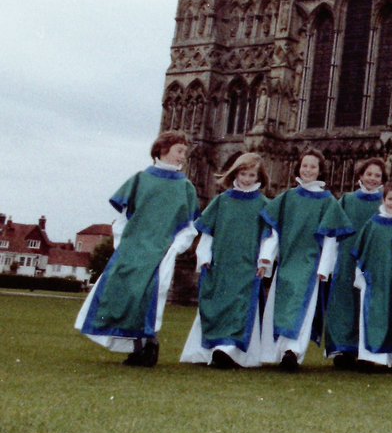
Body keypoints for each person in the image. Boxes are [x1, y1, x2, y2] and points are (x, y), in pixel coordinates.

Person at [76, 131, 200, 367]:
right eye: (179, 151)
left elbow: (189, 226)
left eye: (185, 152)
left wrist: (174, 248)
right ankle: (135, 347)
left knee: (150, 297)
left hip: (162, 251)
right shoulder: (140, 180)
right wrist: (122, 243)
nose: (183, 157)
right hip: (132, 249)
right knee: (123, 295)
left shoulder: (185, 188)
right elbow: (124, 217)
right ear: (162, 149)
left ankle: (148, 343)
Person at [257, 149, 352, 372]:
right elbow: (274, 232)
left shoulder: (327, 201)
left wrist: (325, 267)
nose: (308, 170)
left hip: (311, 263)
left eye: (313, 166)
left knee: (303, 306)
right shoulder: (288, 197)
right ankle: (279, 352)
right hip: (287, 260)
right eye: (304, 165)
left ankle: (293, 352)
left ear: (320, 171)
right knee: (281, 305)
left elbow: (330, 238)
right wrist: (265, 259)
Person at [180, 152, 270, 369]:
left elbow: (269, 236)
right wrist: (204, 256)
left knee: (239, 307)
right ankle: (207, 351)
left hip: (247, 265)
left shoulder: (264, 204)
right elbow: (208, 231)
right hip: (220, 263)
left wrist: (264, 261)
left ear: (259, 177)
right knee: (215, 306)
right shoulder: (222, 200)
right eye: (243, 173)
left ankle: (228, 352)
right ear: (234, 173)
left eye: (251, 174)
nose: (247, 179)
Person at [326, 157, 388, 369]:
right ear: (360, 175)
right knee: (345, 302)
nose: (372, 179)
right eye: (368, 174)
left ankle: (367, 351)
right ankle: (344, 349)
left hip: (374, 260)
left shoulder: (386, 203)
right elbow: (333, 233)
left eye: (377, 175)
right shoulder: (347, 200)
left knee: (371, 304)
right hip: (347, 259)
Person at [351, 181, 392, 369]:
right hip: (375, 280)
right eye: (390, 199)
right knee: (373, 315)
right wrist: (361, 275)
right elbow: (362, 251)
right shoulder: (373, 224)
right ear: (383, 200)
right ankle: (369, 357)